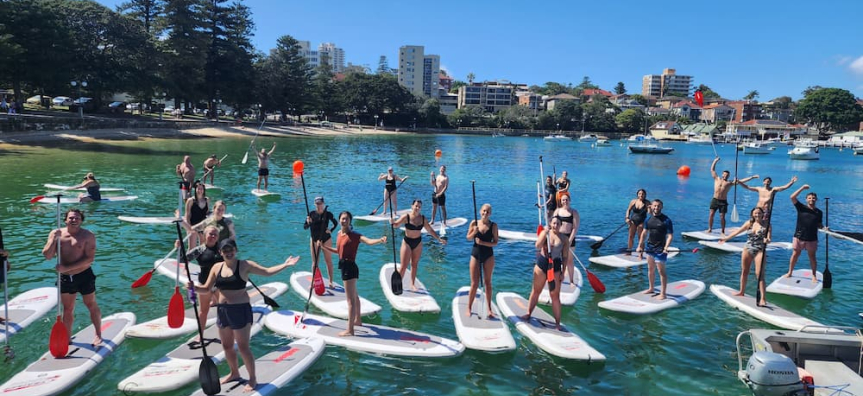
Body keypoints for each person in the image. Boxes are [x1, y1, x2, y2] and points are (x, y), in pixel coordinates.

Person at [192, 239, 299, 392]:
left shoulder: (244, 265)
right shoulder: (216, 267)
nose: (228, 253)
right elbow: (205, 288)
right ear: (220, 252)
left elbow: (267, 272)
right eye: (225, 250)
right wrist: (193, 288)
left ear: (236, 250)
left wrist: (285, 264)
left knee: (243, 347)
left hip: (240, 310)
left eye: (231, 250)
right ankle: (234, 373)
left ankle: (253, 378)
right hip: (222, 311)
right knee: (227, 346)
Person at [319, 212, 387, 336]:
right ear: (339, 220)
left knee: (350, 300)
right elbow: (339, 251)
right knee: (355, 297)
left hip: (350, 268)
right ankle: (358, 321)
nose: (344, 221)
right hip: (344, 266)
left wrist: (380, 240)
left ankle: (350, 330)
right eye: (342, 219)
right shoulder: (339, 234)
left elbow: (368, 241)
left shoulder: (354, 235)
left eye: (347, 219)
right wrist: (324, 247)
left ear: (350, 221)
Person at [41, 208, 102, 346]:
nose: (74, 220)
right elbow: (47, 255)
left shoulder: (88, 235)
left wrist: (67, 268)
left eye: (77, 218)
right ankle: (67, 338)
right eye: (71, 218)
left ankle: (98, 334)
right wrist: (53, 240)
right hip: (65, 278)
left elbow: (89, 259)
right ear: (65, 220)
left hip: (84, 275)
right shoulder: (56, 233)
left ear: (81, 221)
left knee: (90, 304)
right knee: (67, 308)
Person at [521, 216, 567, 329]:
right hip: (542, 264)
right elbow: (537, 245)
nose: (555, 225)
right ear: (551, 223)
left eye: (558, 224)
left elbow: (565, 256)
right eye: (554, 223)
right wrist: (545, 233)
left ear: (561, 226)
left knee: (555, 295)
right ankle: (528, 313)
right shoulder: (546, 232)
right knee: (536, 290)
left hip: (555, 266)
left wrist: (563, 271)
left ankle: (557, 323)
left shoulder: (564, 239)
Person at [390, 199, 446, 291]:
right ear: (412, 206)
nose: (417, 208)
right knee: (404, 266)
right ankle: (397, 285)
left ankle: (412, 284)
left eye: (419, 207)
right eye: (416, 206)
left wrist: (439, 239)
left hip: (418, 243)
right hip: (407, 242)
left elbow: (430, 230)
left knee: (414, 265)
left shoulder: (423, 219)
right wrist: (392, 222)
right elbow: (396, 225)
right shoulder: (406, 217)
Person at [719, 207, 769, 305]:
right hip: (747, 249)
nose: (757, 215)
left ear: (763, 214)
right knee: (744, 271)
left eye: (759, 213)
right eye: (755, 213)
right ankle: (741, 292)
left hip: (760, 250)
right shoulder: (749, 223)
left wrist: (767, 240)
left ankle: (763, 298)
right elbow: (737, 232)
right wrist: (725, 239)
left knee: (759, 274)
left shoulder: (767, 225)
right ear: (752, 214)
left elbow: (769, 237)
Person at [180, 225, 223, 334]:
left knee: (223, 310)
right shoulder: (199, 250)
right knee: (203, 312)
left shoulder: (222, 248)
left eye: (215, 234)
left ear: (218, 237)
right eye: (210, 234)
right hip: (204, 284)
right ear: (204, 236)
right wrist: (179, 247)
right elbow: (182, 259)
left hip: (220, 284)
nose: (213, 236)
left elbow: (232, 259)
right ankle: (201, 335)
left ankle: (225, 332)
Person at [707, 157, 758, 234]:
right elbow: (712, 170)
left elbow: (741, 181)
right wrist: (715, 161)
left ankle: (723, 231)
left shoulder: (729, 183)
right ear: (722, 174)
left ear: (729, 176)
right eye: (725, 175)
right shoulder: (717, 179)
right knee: (711, 215)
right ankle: (710, 228)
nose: (726, 176)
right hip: (715, 199)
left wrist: (751, 177)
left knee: (722, 217)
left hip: (723, 201)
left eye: (727, 175)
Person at [738, 175, 797, 240]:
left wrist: (791, 182)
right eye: (766, 181)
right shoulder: (759, 189)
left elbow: (784, 187)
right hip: (757, 209)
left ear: (770, 183)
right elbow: (748, 187)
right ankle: (753, 234)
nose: (767, 182)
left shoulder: (773, 190)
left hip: (765, 210)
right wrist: (739, 182)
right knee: (753, 221)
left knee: (764, 224)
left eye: (768, 181)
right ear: (763, 182)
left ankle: (765, 237)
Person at [465, 203, 499, 318]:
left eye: (488, 211)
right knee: (474, 283)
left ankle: (489, 309)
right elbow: (468, 238)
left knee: (488, 283)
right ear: (480, 211)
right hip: (475, 254)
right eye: (484, 211)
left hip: (488, 255)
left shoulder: (493, 226)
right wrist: (474, 232)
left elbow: (495, 242)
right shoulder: (474, 223)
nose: (485, 213)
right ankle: (469, 308)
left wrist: (483, 243)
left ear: (490, 213)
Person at [636, 199, 674, 300]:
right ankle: (651, 288)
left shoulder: (666, 220)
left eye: (658, 206)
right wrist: (640, 245)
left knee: (661, 272)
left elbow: (670, 236)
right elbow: (644, 233)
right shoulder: (648, 220)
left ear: (661, 207)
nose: (656, 208)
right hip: (649, 248)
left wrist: (666, 247)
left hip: (660, 250)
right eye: (655, 206)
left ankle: (663, 293)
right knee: (650, 269)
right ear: (652, 207)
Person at [786, 185, 824, 283]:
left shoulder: (819, 212)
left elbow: (819, 224)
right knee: (795, 255)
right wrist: (802, 188)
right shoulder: (801, 207)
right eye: (810, 198)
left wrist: (824, 228)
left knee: (812, 257)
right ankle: (790, 272)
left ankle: (814, 276)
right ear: (806, 199)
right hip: (799, 236)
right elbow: (792, 197)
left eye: (813, 198)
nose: (812, 199)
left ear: (816, 199)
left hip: (812, 238)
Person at [304, 196, 338, 288]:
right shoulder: (311, 214)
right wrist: (308, 222)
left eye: (320, 203)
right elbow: (305, 227)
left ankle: (330, 282)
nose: (319, 205)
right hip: (314, 239)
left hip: (326, 239)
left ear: (323, 203)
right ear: (315, 204)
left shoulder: (328, 214)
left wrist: (331, 230)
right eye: (317, 203)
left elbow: (336, 223)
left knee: (328, 261)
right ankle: (314, 282)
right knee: (315, 262)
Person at [552, 195, 580, 284]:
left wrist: (569, 240)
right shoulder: (557, 211)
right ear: (561, 201)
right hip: (558, 238)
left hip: (569, 238)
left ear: (570, 200)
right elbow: (553, 224)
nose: (565, 201)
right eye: (563, 200)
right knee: (556, 259)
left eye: (567, 200)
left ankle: (571, 281)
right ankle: (556, 278)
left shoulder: (574, 212)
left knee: (569, 260)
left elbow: (575, 228)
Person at [184, 181, 210, 246]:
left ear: (204, 190)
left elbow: (207, 213)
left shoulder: (207, 200)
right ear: (195, 189)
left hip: (203, 226)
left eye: (201, 189)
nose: (200, 190)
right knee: (192, 247)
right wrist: (189, 228)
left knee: (202, 247)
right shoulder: (190, 200)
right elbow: (187, 215)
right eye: (198, 188)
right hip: (193, 226)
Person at [625, 189, 649, 255]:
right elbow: (628, 210)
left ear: (645, 195)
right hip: (632, 221)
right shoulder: (633, 201)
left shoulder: (647, 203)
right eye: (640, 194)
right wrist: (627, 218)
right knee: (630, 236)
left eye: (643, 194)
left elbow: (650, 213)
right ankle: (629, 251)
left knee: (640, 238)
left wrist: (649, 208)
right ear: (637, 194)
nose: (641, 195)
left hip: (641, 222)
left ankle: (641, 252)